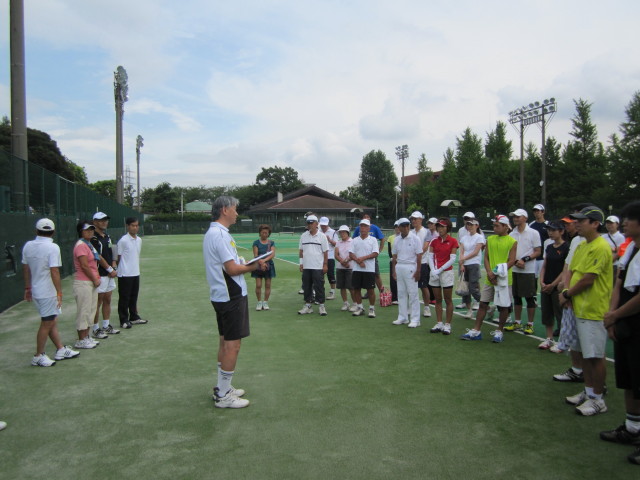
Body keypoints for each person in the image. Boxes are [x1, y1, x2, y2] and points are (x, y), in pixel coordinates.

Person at [204, 196, 266, 409]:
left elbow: (229, 263)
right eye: (235, 209)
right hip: (231, 295)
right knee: (233, 345)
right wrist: (254, 266)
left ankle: (223, 387)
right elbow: (231, 270)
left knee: (224, 342)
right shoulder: (220, 235)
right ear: (224, 210)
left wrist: (244, 263)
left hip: (221, 294)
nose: (237, 213)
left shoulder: (214, 233)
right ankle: (223, 395)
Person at [560, 205, 612, 416]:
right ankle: (589, 392)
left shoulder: (601, 246)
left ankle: (598, 399)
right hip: (578, 308)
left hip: (593, 309)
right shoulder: (582, 245)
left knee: (595, 357)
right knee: (585, 354)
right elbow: (572, 271)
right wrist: (566, 291)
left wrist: (567, 294)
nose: (576, 223)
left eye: (582, 220)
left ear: (595, 224)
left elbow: (588, 279)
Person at [601, 200, 640, 465]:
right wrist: (612, 315)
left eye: (630, 218)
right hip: (626, 324)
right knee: (628, 379)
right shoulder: (630, 249)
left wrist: (615, 315)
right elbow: (619, 283)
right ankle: (632, 428)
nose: (624, 222)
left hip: (635, 323)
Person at [22, 218, 79, 366]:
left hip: (37, 291)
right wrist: (59, 293)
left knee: (52, 320)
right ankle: (38, 356)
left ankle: (60, 349)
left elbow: (25, 268)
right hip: (47, 293)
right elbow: (54, 271)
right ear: (53, 232)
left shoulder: (28, 246)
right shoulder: (53, 247)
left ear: (36, 231)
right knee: (47, 323)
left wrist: (28, 288)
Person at [460, 215, 517, 343]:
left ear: (505, 226)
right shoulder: (490, 239)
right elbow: (486, 257)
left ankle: (499, 331)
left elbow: (512, 260)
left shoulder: (512, 241)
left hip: (504, 279)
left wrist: (496, 273)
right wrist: (490, 272)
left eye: (497, 226)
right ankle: (476, 331)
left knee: (503, 307)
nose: (494, 228)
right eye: (494, 225)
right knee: (483, 304)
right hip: (490, 278)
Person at [504, 208, 541, 335]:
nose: (515, 218)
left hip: (528, 271)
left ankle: (530, 324)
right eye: (514, 216)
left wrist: (524, 260)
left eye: (518, 216)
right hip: (514, 269)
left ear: (525, 218)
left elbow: (538, 251)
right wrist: (515, 262)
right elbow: (509, 252)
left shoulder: (533, 233)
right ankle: (517, 322)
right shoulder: (511, 234)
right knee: (516, 297)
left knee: (530, 298)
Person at [538, 221, 569, 350]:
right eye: (549, 230)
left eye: (553, 230)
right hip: (546, 284)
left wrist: (553, 284)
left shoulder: (567, 247)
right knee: (547, 313)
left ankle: (563, 341)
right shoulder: (549, 247)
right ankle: (549, 339)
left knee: (560, 313)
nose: (550, 233)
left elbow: (565, 269)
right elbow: (544, 265)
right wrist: (542, 281)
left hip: (558, 286)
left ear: (561, 231)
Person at [73, 221, 103, 349]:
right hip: (83, 282)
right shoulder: (81, 245)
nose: (90, 232)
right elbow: (84, 266)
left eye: (91, 229)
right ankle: (81, 340)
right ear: (81, 232)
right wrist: (95, 279)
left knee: (91, 310)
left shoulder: (88, 244)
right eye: (87, 230)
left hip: (91, 282)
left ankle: (86, 337)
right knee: (84, 311)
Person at [90, 212, 120, 338]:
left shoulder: (107, 236)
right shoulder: (93, 238)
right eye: (101, 220)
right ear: (94, 222)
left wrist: (113, 265)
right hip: (100, 274)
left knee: (107, 299)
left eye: (105, 220)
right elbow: (98, 256)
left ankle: (106, 325)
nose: (104, 222)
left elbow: (111, 251)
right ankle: (95, 329)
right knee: (98, 302)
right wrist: (109, 269)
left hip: (109, 274)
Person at [428, 218, 459, 335]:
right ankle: (439, 323)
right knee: (438, 299)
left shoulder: (453, 241)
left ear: (448, 228)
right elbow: (430, 256)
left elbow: (452, 259)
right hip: (435, 272)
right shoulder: (434, 241)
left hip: (446, 273)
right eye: (438, 226)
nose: (440, 228)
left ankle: (447, 325)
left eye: (442, 226)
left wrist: (439, 270)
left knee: (448, 299)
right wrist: (433, 270)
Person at [116, 217, 147, 329]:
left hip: (135, 272)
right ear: (127, 226)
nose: (135, 228)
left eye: (137, 225)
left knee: (134, 297)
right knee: (124, 298)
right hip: (125, 274)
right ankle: (123, 320)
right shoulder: (123, 240)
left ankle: (134, 317)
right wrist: (118, 269)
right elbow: (118, 257)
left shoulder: (139, 240)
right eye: (133, 225)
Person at [391, 218, 422, 327]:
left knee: (413, 294)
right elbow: (394, 256)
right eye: (403, 226)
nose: (406, 228)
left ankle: (415, 319)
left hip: (411, 267)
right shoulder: (396, 240)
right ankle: (403, 317)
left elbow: (419, 256)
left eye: (407, 225)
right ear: (399, 227)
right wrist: (393, 271)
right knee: (401, 293)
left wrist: (418, 271)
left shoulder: (415, 238)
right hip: (399, 266)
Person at [298, 215, 329, 316]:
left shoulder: (322, 236)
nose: (310, 225)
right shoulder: (303, 236)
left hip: (318, 266)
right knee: (307, 286)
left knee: (319, 287)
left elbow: (325, 252)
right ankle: (308, 306)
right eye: (308, 223)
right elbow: (301, 251)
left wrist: (325, 265)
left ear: (316, 224)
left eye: (311, 223)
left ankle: (321, 306)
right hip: (307, 266)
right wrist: (301, 263)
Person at [349, 218, 379, 318]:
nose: (363, 228)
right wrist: (359, 261)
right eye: (361, 226)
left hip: (369, 269)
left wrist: (362, 258)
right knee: (356, 289)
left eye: (365, 226)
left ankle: (371, 309)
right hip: (357, 269)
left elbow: (375, 253)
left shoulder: (373, 240)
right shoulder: (354, 240)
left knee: (370, 290)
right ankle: (360, 307)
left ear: (369, 228)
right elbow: (351, 253)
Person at [457, 218, 486, 319]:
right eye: (468, 224)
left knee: (473, 288)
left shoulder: (479, 237)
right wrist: (461, 264)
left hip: (474, 264)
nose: (469, 226)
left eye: (471, 225)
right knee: (465, 289)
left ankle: (486, 306)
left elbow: (476, 252)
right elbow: (461, 251)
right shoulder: (464, 238)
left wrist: (463, 259)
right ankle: (469, 310)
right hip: (464, 264)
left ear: (476, 226)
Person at [352, 213, 385, 293]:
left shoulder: (375, 228)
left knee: (376, 274)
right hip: (359, 258)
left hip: (371, 257)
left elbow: (382, 239)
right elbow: (353, 240)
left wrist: (379, 250)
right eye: (365, 217)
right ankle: (367, 292)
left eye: (368, 217)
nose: (366, 218)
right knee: (361, 276)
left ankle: (382, 292)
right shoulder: (358, 228)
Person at [410, 211, 433, 318]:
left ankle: (427, 307)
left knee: (423, 286)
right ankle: (412, 307)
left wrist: (417, 256)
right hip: (411, 264)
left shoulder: (427, 232)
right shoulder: (410, 232)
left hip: (422, 263)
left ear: (421, 220)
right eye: (412, 219)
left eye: (415, 219)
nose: (413, 221)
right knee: (411, 287)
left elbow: (425, 247)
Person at [251, 224, 276, 311]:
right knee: (258, 285)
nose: (264, 234)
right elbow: (255, 255)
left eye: (266, 233)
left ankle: (265, 302)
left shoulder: (271, 243)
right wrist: (261, 263)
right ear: (260, 233)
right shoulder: (256, 243)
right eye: (263, 232)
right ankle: (259, 302)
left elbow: (272, 254)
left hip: (269, 266)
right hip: (258, 265)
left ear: (269, 233)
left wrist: (264, 261)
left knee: (268, 285)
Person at [334, 225, 356, 311]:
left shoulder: (353, 242)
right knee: (342, 287)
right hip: (340, 267)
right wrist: (343, 262)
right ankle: (345, 303)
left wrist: (346, 261)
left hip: (350, 267)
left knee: (351, 287)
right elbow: (336, 255)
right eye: (340, 232)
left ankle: (355, 304)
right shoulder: (338, 243)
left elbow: (353, 254)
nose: (342, 234)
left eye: (343, 232)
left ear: (347, 233)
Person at [602, 215, 626, 282]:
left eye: (611, 223)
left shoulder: (620, 237)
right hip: (603, 264)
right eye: (607, 223)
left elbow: (619, 252)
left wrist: (609, 262)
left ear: (617, 224)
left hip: (614, 265)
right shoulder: (603, 237)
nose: (609, 225)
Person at [319, 217, 338, 300]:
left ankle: (332, 292)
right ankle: (320, 291)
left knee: (330, 274)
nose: (323, 226)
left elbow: (337, 244)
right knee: (319, 275)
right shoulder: (318, 231)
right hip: (319, 256)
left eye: (325, 225)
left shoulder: (333, 232)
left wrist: (329, 240)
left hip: (330, 256)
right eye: (322, 225)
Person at [529, 204, 550, 279]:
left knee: (543, 278)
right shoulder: (531, 225)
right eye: (534, 211)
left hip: (544, 257)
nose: (536, 213)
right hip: (533, 257)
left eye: (538, 211)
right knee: (533, 278)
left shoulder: (548, 224)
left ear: (543, 212)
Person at [387, 222, 400, 304]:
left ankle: (401, 297)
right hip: (393, 261)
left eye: (398, 227)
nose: (397, 228)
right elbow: (389, 250)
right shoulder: (391, 238)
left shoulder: (404, 237)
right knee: (393, 279)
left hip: (402, 261)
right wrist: (392, 258)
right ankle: (394, 298)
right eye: (395, 227)